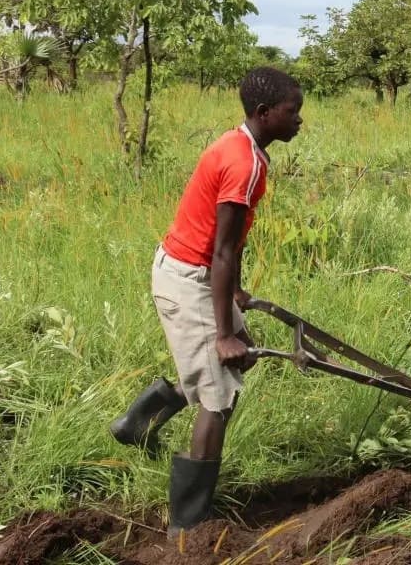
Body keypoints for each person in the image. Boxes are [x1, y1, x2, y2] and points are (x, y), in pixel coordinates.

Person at [108, 66, 303, 538]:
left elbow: (225, 242)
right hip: (188, 278)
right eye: (292, 112)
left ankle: (137, 423)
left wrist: (235, 296)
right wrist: (221, 333)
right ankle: (188, 526)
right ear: (263, 113)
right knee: (217, 399)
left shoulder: (243, 147)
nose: (299, 120)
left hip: (194, 271)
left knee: (242, 358)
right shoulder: (245, 163)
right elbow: (220, 250)